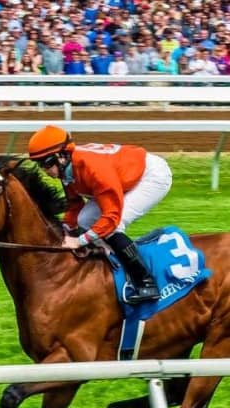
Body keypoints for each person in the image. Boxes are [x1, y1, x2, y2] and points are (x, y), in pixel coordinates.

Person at [27, 125, 172, 304]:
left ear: (61, 155)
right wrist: (65, 229)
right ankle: (112, 264)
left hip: (150, 177)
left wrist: (79, 241)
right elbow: (75, 205)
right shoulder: (68, 167)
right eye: (40, 165)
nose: (45, 171)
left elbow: (111, 218)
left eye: (47, 163)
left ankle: (146, 282)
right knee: (85, 219)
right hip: (121, 177)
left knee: (114, 226)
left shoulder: (93, 168)